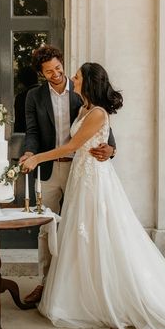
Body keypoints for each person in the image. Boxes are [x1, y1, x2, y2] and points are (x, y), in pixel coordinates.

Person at [22, 63, 165, 329]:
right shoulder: (83, 107)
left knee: (97, 232)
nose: (71, 78)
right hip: (81, 177)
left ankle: (104, 294)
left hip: (94, 181)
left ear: (87, 82)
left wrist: (38, 158)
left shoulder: (97, 113)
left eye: (76, 75)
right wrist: (33, 151)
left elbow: (72, 146)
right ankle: (80, 288)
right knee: (77, 235)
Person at [19, 46, 116, 303]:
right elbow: (32, 132)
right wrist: (30, 153)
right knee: (46, 228)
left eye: (58, 68)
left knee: (81, 226)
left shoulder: (80, 91)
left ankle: (79, 288)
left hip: (80, 168)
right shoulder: (33, 97)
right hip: (50, 172)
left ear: (62, 63)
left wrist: (112, 147)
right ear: (41, 73)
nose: (56, 74)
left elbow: (101, 119)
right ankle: (46, 284)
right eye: (49, 71)